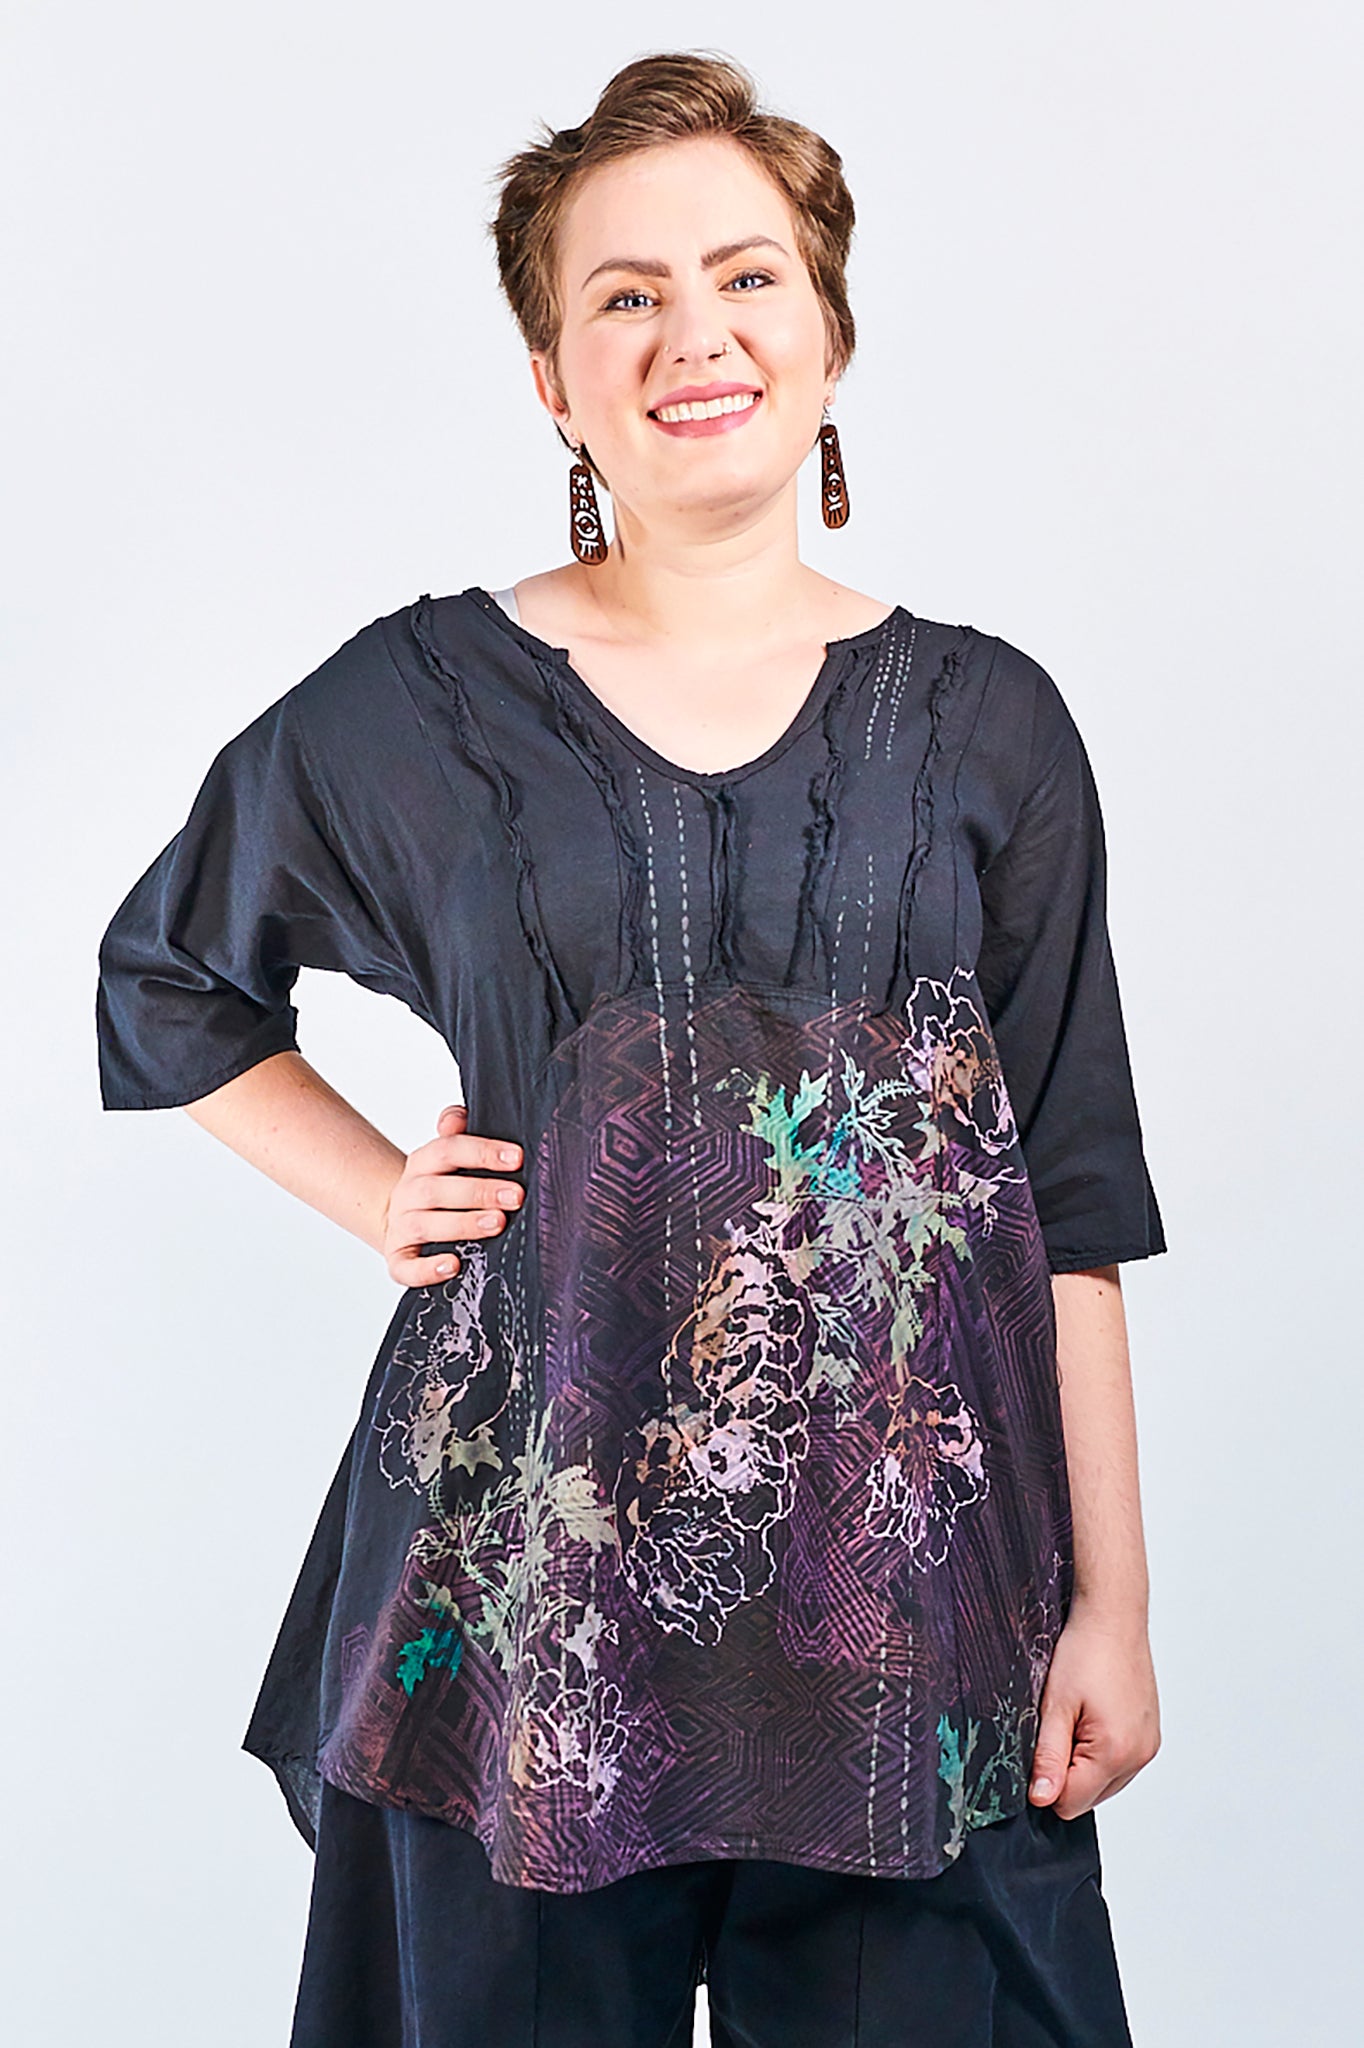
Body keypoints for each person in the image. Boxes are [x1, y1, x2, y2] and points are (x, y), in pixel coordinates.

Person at [94, 50, 1166, 2048]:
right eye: (626, 296)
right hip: (518, 1614)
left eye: (746, 277)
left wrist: (1115, 1602)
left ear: (829, 332)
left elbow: (1071, 1196)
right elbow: (168, 976)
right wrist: (381, 1193)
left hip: (914, 1623)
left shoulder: (990, 723)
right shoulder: (416, 704)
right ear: (552, 382)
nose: (696, 333)